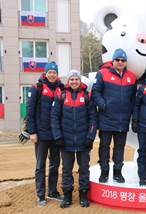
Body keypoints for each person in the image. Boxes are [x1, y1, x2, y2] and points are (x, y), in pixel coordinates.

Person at [51, 70, 97, 208]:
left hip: (84, 141)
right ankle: (67, 196)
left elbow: (93, 118)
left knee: (84, 169)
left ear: (80, 81)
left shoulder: (87, 96)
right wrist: (58, 136)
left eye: (76, 79)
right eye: (72, 79)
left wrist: (90, 137)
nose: (74, 82)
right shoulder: (61, 95)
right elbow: (54, 117)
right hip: (65, 141)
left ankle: (83, 196)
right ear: (68, 81)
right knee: (66, 170)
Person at [92, 48, 137, 183]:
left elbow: (134, 98)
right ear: (113, 61)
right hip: (106, 118)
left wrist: (132, 114)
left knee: (119, 148)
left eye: (123, 60)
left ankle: (118, 172)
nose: (120, 62)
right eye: (117, 60)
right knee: (104, 147)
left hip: (122, 120)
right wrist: (103, 105)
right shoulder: (102, 74)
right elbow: (95, 92)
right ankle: (104, 172)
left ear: (125, 62)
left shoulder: (132, 77)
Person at [26, 61, 64, 206]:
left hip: (55, 135)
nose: (52, 74)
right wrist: (32, 132)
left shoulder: (61, 88)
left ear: (57, 74)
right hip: (41, 135)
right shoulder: (37, 88)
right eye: (50, 72)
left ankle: (52, 191)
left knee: (55, 164)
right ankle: (41, 195)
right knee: (40, 165)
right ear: (46, 73)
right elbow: (29, 112)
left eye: (54, 72)